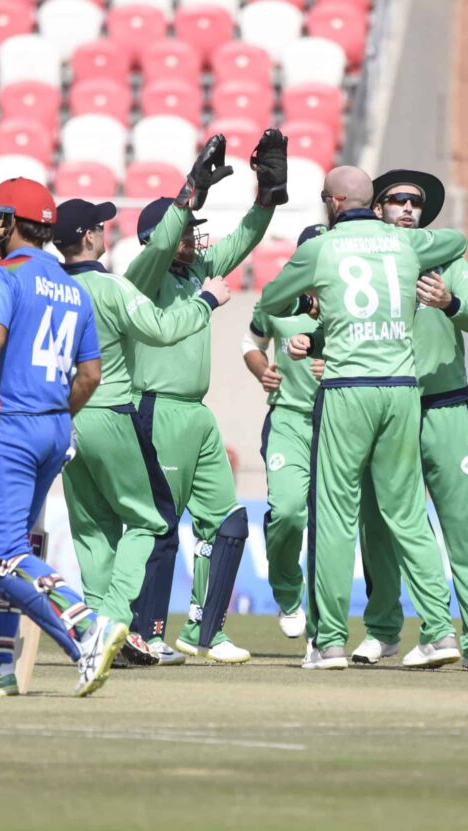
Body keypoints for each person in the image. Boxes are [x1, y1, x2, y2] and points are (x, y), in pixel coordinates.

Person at [255, 165, 468, 670]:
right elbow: (456, 241)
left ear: (333, 202)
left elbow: (269, 303)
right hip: (401, 390)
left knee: (334, 515)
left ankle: (329, 642)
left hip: (347, 388)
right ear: (372, 203)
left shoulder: (322, 247)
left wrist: (308, 309)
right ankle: (440, 632)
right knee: (408, 515)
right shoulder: (403, 242)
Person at [0, 176, 128, 698]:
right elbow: (89, 376)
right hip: (53, 428)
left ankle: (88, 628)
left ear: (17, 224)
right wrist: (59, 420)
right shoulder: (73, 287)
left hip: (7, 427)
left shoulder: (4, 275)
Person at [53, 149, 234, 667]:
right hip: (109, 412)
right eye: (100, 226)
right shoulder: (112, 286)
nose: (105, 231)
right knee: (151, 521)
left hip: (59, 421)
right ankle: (113, 620)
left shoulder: (50, 288)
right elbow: (161, 329)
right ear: (90, 237)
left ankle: (94, 628)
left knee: (92, 529)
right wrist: (206, 301)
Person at [126, 129, 289, 664]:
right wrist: (188, 194)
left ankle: (205, 632)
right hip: (157, 409)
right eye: (186, 232)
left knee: (230, 523)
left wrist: (266, 196)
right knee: (161, 526)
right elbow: (161, 247)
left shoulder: (197, 268)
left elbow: (244, 238)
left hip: (196, 414)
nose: (195, 239)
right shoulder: (142, 278)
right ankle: (144, 633)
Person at [353, 169, 468, 671]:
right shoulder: (366, 264)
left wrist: (449, 301)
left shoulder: (448, 260)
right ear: (377, 208)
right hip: (387, 408)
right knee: (381, 527)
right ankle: (383, 631)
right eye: (396, 199)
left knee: (465, 526)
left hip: (446, 408)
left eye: (415, 202)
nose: (407, 208)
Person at [241, 224, 326, 638]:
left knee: (330, 525)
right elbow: (251, 342)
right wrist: (263, 371)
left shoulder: (356, 301)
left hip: (339, 422)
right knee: (289, 512)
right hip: (288, 419)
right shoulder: (279, 299)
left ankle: (326, 626)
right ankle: (288, 594)